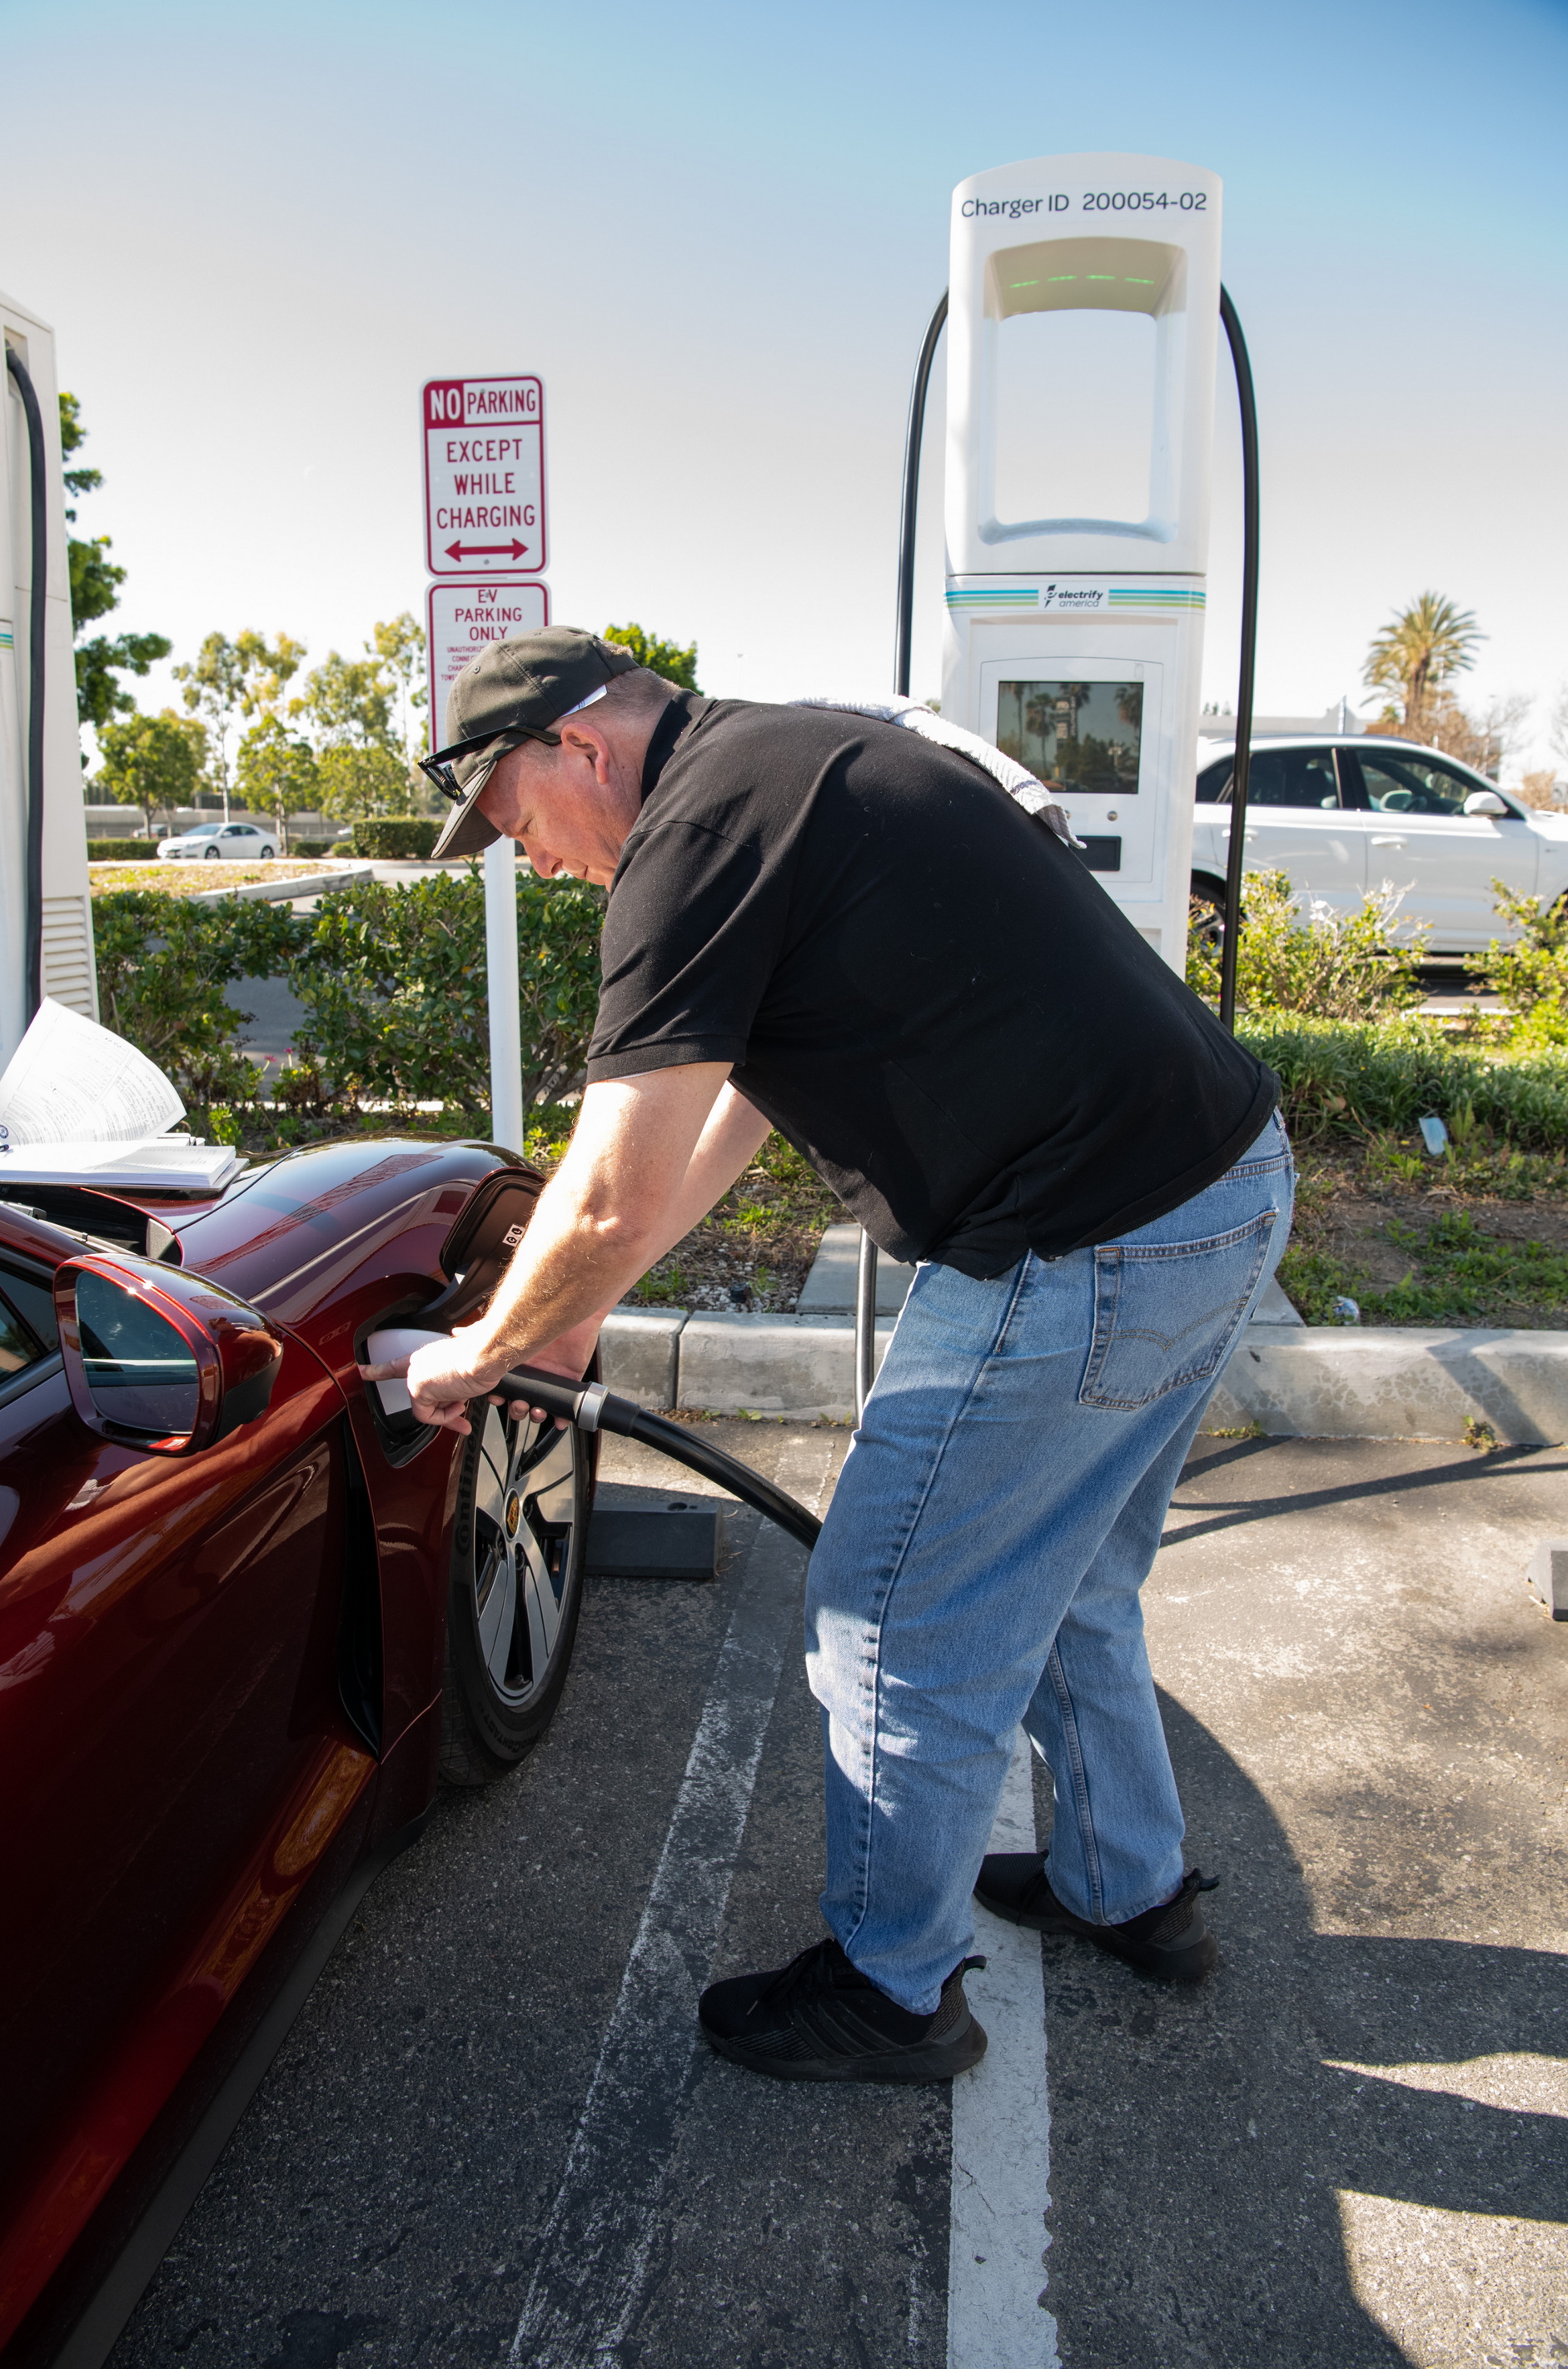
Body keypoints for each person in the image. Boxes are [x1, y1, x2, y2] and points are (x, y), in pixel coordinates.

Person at [368, 626, 1293, 2086]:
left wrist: (483, 1347)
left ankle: (890, 1989)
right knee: (1068, 1577)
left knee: (891, 1618)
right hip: (1222, 1190)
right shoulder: (783, 765)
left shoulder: (691, 840)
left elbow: (604, 1194)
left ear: (581, 748)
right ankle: (1131, 1887)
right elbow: (724, 1118)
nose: (529, 861)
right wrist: (576, 1313)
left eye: (513, 819)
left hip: (1087, 1241)